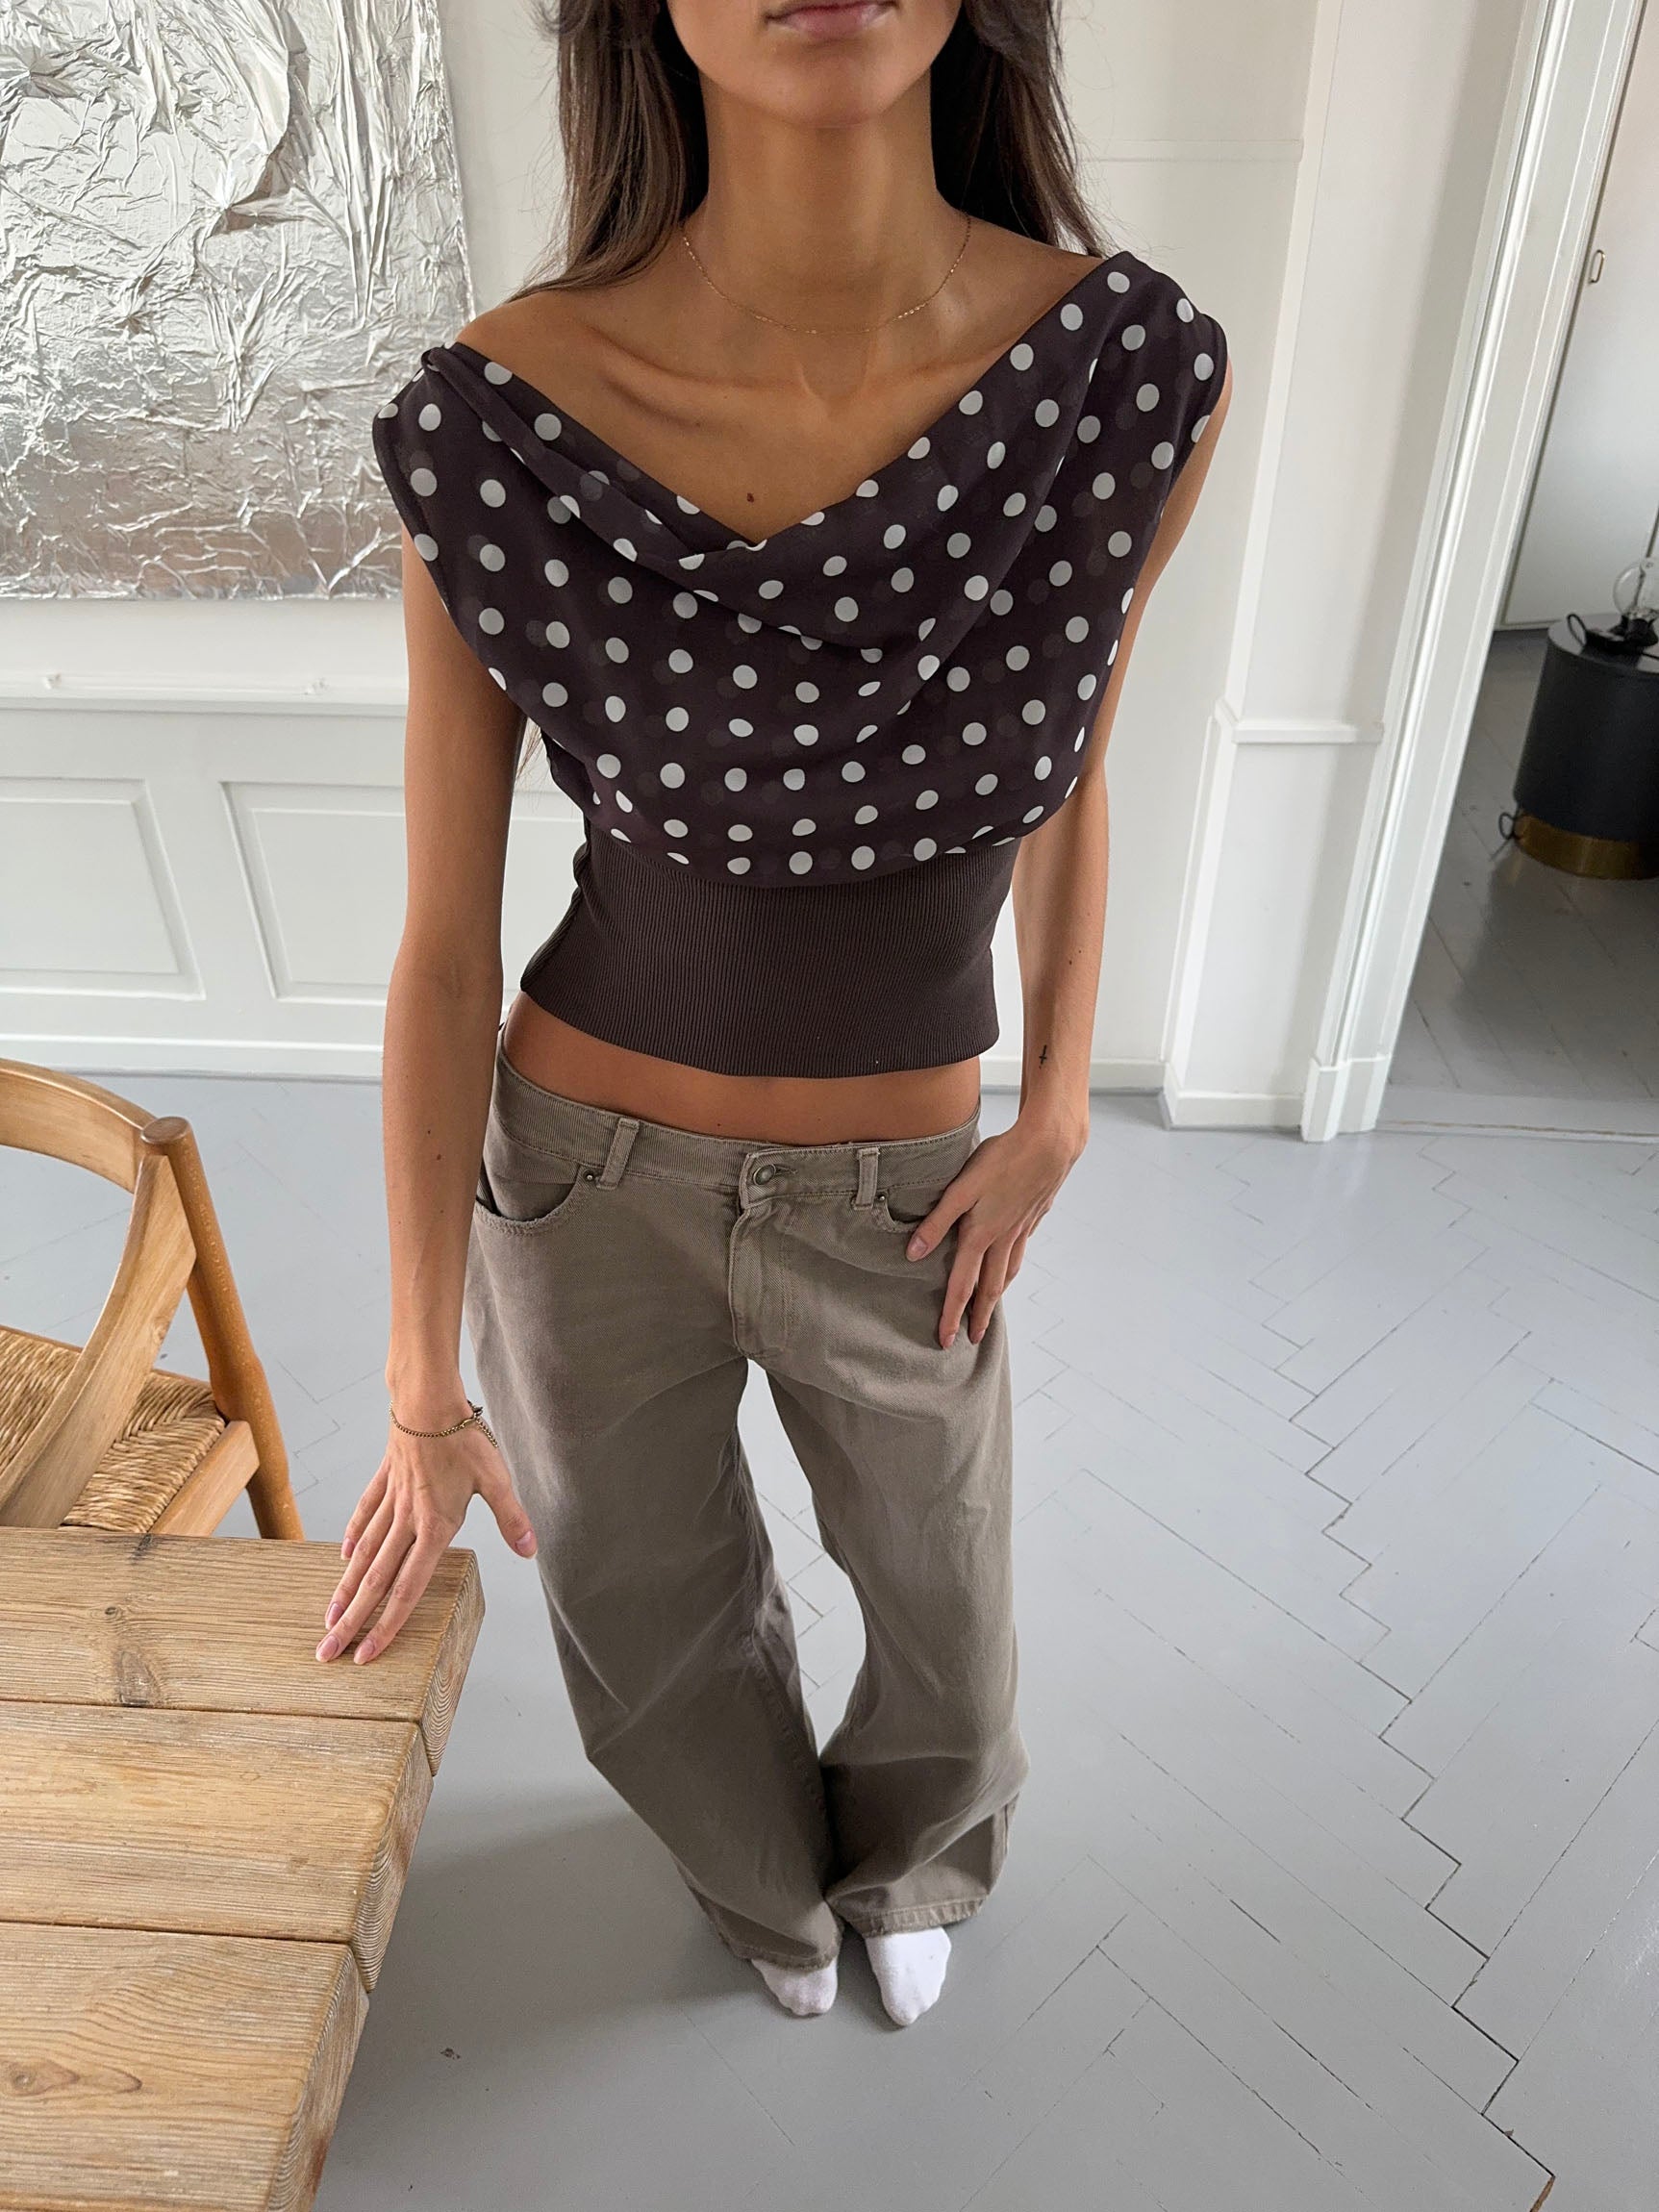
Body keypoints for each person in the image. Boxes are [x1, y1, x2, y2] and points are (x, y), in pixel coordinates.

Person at [323, 0, 1231, 2030]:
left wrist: (1056, 1104)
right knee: (643, 1618)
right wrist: (416, 1380)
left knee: (947, 1607)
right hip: (577, 1182)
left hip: (904, 1187)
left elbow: (1073, 770)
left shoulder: (1122, 377)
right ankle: (752, 1880)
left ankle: (911, 1854)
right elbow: (446, 944)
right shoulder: (496, 420)